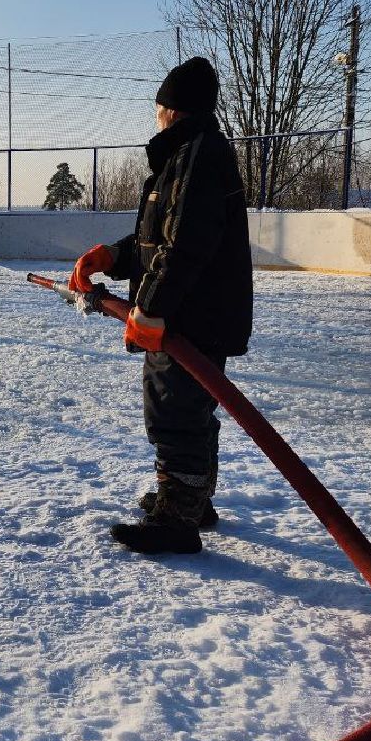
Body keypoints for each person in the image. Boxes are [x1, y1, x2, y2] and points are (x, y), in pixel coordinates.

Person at [68, 56, 252, 555]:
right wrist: (112, 256)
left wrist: (147, 310)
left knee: (174, 410)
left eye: (159, 105)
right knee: (189, 406)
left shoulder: (199, 155)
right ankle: (192, 498)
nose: (156, 115)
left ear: (172, 108)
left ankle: (178, 518)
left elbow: (185, 245)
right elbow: (159, 239)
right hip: (189, 313)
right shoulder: (187, 155)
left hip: (191, 317)